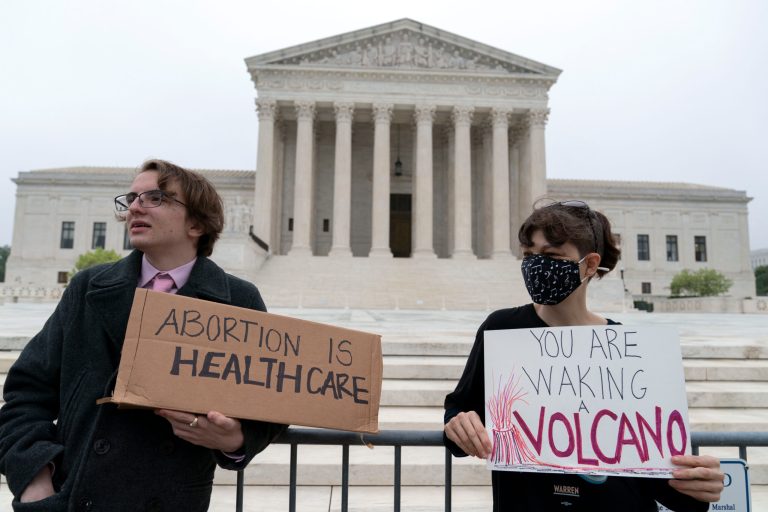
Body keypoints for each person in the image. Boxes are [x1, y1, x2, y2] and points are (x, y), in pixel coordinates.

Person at [0, 159, 287, 511]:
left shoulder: (238, 300)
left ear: (196, 223)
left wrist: (236, 438)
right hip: (74, 499)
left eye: (155, 198)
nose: (134, 207)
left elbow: (272, 402)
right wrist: (35, 480)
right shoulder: (87, 289)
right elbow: (26, 393)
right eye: (131, 199)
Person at [443, 200, 724, 512]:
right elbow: (459, 411)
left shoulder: (628, 349)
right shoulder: (502, 330)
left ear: (590, 265)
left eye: (550, 255)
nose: (535, 265)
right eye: (528, 255)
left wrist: (698, 487)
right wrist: (459, 424)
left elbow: (654, 471)